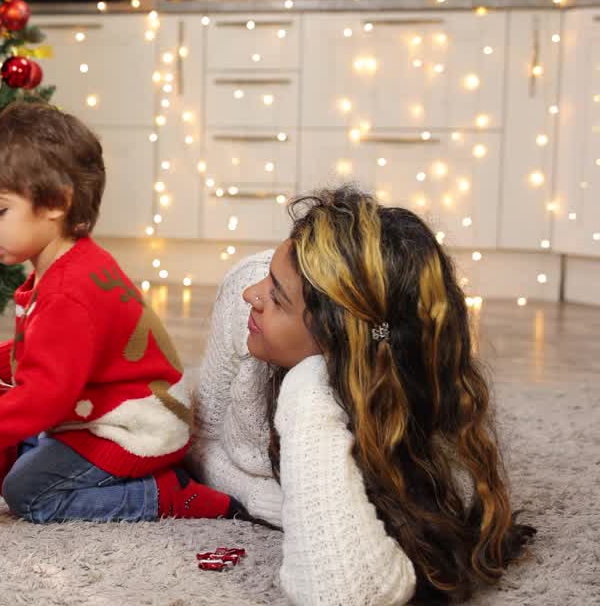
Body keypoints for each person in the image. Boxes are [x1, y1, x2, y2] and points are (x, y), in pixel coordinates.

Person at [0, 102, 239, 523]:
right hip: (128, 409)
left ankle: (164, 494)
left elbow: (44, 396)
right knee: (22, 441)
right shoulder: (72, 263)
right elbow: (63, 344)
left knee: (27, 492)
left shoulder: (68, 290)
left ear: (56, 202)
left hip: (133, 430)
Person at [192, 186, 535, 605]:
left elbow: (339, 593)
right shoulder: (243, 298)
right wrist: (276, 504)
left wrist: (309, 387)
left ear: (338, 336)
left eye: (278, 298)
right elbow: (200, 439)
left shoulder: (422, 415)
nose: (253, 295)